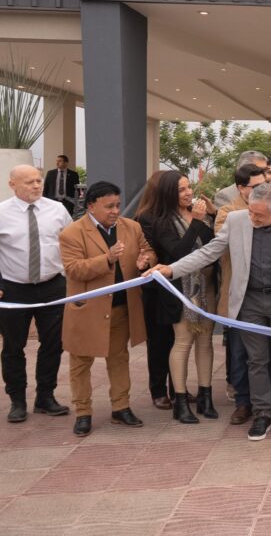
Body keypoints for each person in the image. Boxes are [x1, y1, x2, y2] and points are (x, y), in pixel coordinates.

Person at [151, 183, 271, 441]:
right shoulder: (236, 220)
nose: (253, 218)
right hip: (248, 302)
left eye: (259, 215)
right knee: (256, 360)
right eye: (251, 211)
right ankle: (261, 414)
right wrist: (171, 269)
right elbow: (209, 252)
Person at [60, 181, 154, 437]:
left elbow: (148, 250)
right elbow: (74, 269)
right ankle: (83, 412)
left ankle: (121, 407)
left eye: (117, 205)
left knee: (119, 358)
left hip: (121, 308)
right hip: (87, 310)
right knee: (81, 362)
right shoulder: (72, 233)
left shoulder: (131, 227)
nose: (115, 211)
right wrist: (107, 259)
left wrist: (145, 260)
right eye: (109, 206)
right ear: (91, 206)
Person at [137, 171, 218, 424]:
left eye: (189, 187)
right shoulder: (161, 220)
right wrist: (196, 223)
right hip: (178, 290)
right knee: (182, 342)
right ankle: (180, 400)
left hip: (205, 287)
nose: (188, 193)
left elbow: (212, 246)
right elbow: (178, 253)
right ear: (168, 193)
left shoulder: (197, 214)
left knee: (205, 341)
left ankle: (205, 396)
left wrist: (211, 217)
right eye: (181, 189)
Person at [0, 165, 73, 423]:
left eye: (38, 180)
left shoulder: (57, 210)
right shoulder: (2, 213)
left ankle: (45, 397)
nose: (36, 186)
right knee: (13, 347)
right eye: (29, 182)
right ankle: (17, 400)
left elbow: (71, 242)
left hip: (52, 287)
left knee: (53, 344)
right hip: (13, 289)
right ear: (12, 184)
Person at [214, 163, 271, 426]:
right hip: (239, 294)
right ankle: (243, 402)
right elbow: (223, 242)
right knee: (239, 352)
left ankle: (267, 400)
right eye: (256, 187)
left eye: (265, 185)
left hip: (267, 294)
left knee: (267, 353)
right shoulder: (227, 213)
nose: (262, 190)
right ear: (241, 188)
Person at [134, 171, 178, 411]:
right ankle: (158, 389)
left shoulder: (179, 214)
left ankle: (178, 387)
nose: (186, 193)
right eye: (180, 188)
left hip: (178, 284)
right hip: (157, 288)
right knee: (160, 340)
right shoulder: (145, 218)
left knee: (178, 340)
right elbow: (148, 251)